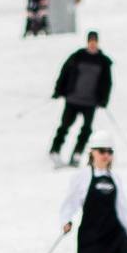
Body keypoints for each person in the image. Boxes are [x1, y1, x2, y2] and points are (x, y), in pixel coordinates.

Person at [49, 31, 114, 164]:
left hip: (90, 102)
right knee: (65, 126)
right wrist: (59, 90)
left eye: (94, 43)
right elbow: (64, 73)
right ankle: (55, 151)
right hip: (73, 99)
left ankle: (77, 153)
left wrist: (103, 99)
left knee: (86, 129)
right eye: (90, 43)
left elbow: (107, 82)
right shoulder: (77, 57)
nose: (92, 46)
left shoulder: (103, 62)